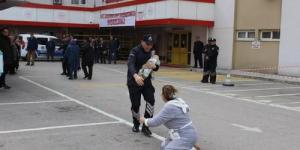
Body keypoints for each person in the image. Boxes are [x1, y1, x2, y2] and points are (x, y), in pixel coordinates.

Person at [139, 85, 200, 150]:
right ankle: (189, 144)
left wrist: (144, 120)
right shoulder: (178, 102)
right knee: (164, 145)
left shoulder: (170, 107)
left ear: (163, 95)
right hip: (187, 133)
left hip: (184, 135)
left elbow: (155, 122)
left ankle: (190, 147)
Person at [127, 34, 159, 137]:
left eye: (151, 44)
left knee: (151, 101)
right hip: (134, 81)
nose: (148, 46)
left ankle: (146, 125)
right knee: (136, 105)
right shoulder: (135, 51)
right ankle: (136, 123)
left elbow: (156, 66)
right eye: (147, 44)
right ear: (142, 42)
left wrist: (155, 66)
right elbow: (130, 64)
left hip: (147, 81)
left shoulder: (152, 52)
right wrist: (135, 76)